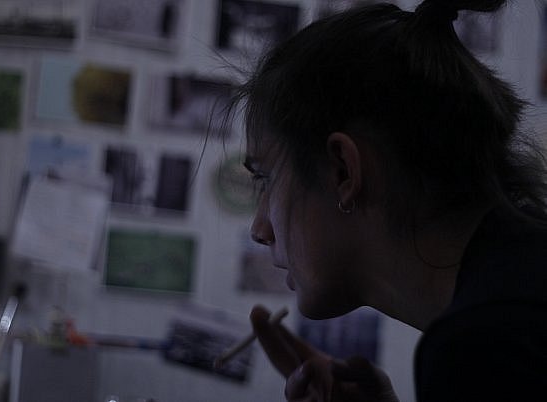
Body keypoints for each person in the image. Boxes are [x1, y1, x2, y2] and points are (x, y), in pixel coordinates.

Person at [226, 0, 547, 400]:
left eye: (267, 179)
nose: (260, 230)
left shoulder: (485, 347)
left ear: (343, 171)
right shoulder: (520, 283)